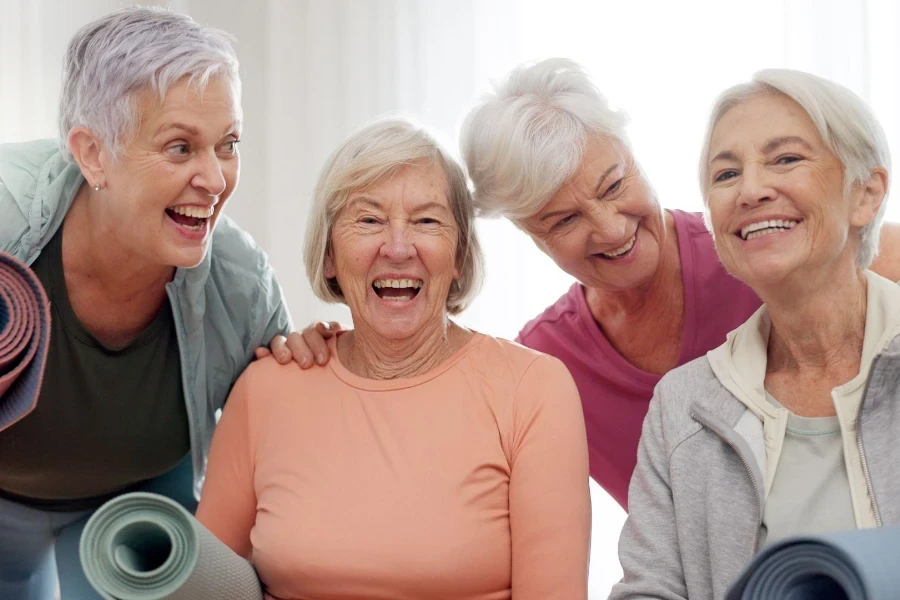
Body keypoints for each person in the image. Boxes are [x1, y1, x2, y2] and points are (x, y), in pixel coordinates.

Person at [288, 58, 900, 510]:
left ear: (633, 151)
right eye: (565, 220)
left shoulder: (768, 252)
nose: (610, 229)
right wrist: (334, 354)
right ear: (530, 235)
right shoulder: (547, 362)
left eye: (613, 185)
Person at [196, 119, 591, 600]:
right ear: (329, 256)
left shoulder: (532, 390)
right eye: (368, 220)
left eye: (427, 221)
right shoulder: (266, 390)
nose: (399, 248)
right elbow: (202, 583)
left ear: (461, 254)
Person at [0, 7, 304, 599]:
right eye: (180, 147)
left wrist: (311, 371)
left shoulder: (243, 288)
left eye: (229, 143)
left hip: (137, 505)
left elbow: (284, 461)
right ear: (92, 154)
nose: (215, 180)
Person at [611, 69, 900, 600]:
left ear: (865, 194)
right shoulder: (683, 404)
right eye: (725, 175)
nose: (750, 190)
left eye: (786, 159)